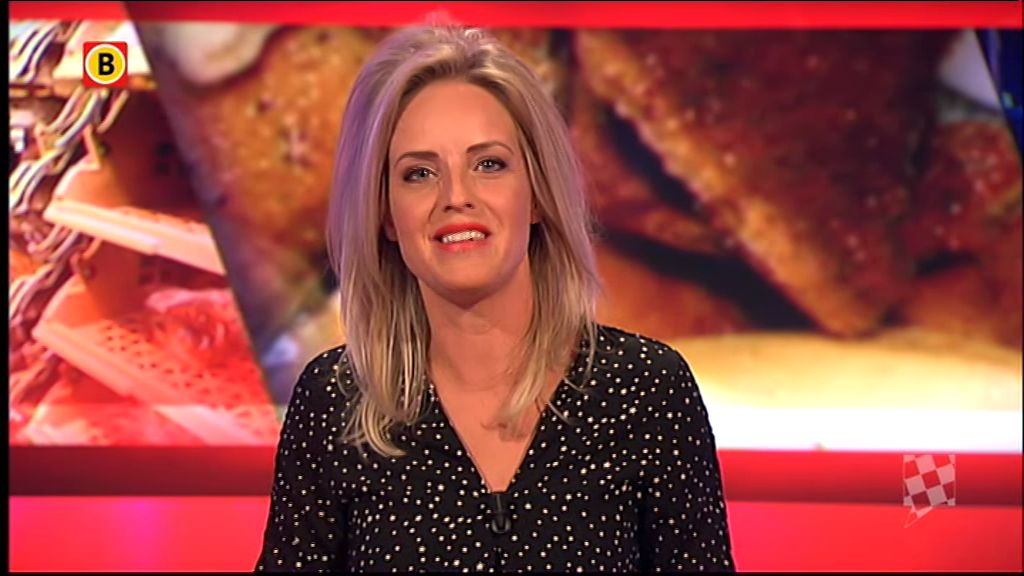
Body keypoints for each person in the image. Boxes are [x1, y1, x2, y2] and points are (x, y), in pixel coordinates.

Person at [255, 23, 734, 573]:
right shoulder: (336, 400)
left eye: (489, 165)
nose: (456, 197)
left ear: (537, 195)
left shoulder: (648, 392)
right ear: (384, 214)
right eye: (419, 174)